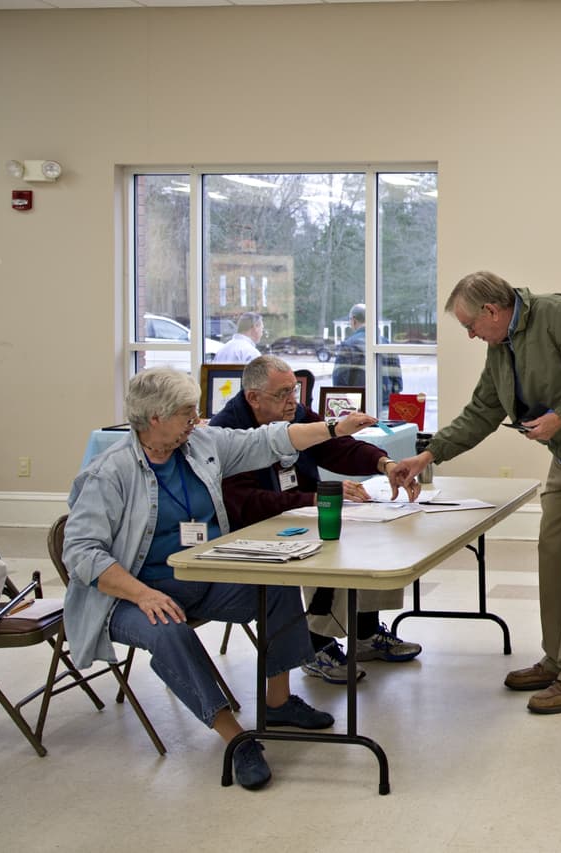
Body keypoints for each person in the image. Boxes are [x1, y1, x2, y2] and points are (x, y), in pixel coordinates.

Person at [62, 368, 376, 790]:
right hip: (130, 595)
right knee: (170, 632)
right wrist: (142, 594)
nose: (196, 422)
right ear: (154, 417)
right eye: (187, 414)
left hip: (204, 576)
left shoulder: (200, 445)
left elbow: (268, 440)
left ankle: (278, 702)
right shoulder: (109, 473)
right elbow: (81, 552)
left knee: (277, 584)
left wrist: (335, 427)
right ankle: (236, 737)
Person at [390, 271, 561, 715]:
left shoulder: (555, 315)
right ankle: (558, 660)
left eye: (470, 325)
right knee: (552, 554)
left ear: (492, 311)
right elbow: (482, 411)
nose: (471, 335)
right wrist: (428, 456)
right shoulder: (501, 346)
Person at [208, 355, 423, 681]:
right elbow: (245, 505)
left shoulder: (294, 413)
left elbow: (339, 447)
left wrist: (385, 464)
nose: (292, 401)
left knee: (363, 530)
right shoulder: (227, 431)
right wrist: (314, 498)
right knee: (328, 540)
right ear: (253, 397)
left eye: (295, 391)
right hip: (254, 529)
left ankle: (364, 634)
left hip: (298, 511)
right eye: (282, 394)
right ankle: (316, 644)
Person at [331, 303, 402, 405]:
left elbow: (339, 383)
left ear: (354, 320)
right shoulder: (386, 343)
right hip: (384, 406)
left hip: (358, 407)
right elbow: (398, 383)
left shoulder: (348, 345)